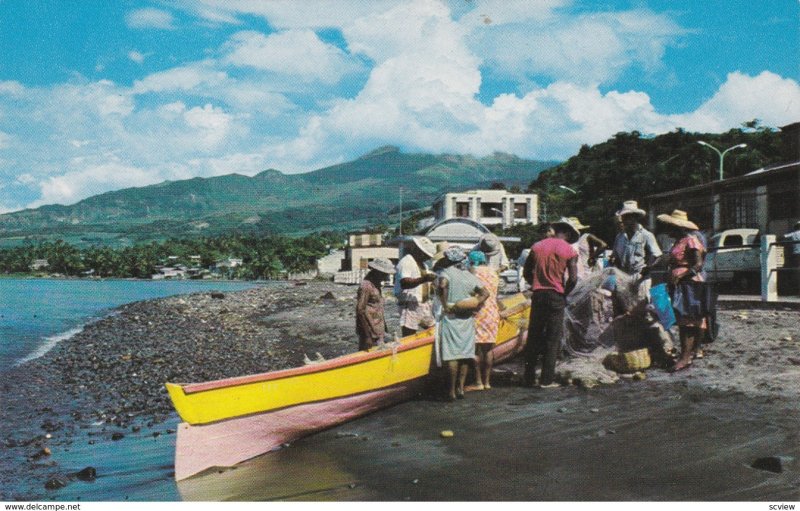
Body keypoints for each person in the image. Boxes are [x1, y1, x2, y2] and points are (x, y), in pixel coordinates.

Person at [522, 219, 579, 388]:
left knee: (534, 337)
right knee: (552, 339)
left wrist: (535, 283)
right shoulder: (569, 250)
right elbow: (573, 278)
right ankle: (547, 380)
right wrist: (564, 292)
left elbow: (526, 272)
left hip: (538, 294)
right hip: (556, 295)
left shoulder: (536, 246)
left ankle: (529, 378)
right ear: (566, 234)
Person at [436, 247, 489, 400]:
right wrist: (475, 303)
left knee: (452, 355)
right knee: (465, 354)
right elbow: (485, 293)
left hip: (451, 316)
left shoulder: (446, 273)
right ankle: (461, 388)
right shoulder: (469, 276)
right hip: (466, 318)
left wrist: (445, 304)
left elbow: (442, 285)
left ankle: (451, 391)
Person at [657, 210, 707, 372]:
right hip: (679, 284)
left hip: (689, 284)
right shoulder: (678, 242)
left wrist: (682, 276)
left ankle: (685, 357)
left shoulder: (691, 241)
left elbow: (697, 264)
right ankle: (687, 354)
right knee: (683, 319)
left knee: (688, 321)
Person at [611, 200, 662, 300]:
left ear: (635, 217)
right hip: (623, 276)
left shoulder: (646, 235)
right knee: (626, 306)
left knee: (642, 305)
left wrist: (648, 267)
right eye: (624, 217)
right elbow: (615, 257)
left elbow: (657, 255)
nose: (625, 220)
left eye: (628, 217)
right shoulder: (620, 237)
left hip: (640, 276)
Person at [468, 250, 502, 390]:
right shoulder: (494, 272)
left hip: (478, 312)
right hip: (492, 312)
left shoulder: (472, 272)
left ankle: (478, 382)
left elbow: (470, 293)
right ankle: (487, 382)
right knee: (488, 349)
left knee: (475, 350)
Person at [394, 236, 437, 337]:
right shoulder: (406, 261)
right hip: (410, 304)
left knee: (433, 330)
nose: (427, 258)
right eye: (426, 255)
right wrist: (424, 279)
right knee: (409, 334)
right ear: (419, 251)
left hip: (423, 303)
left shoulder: (423, 265)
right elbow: (404, 283)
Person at [355, 258, 395, 351]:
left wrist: (384, 329)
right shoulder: (366, 286)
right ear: (378, 272)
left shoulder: (376, 284)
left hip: (378, 329)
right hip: (370, 331)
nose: (387, 276)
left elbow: (377, 308)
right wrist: (367, 336)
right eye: (386, 274)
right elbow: (360, 310)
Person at [782, 221, 800, 295]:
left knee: (796, 271)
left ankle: (797, 288)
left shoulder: (793, 234)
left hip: (796, 255)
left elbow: (783, 237)